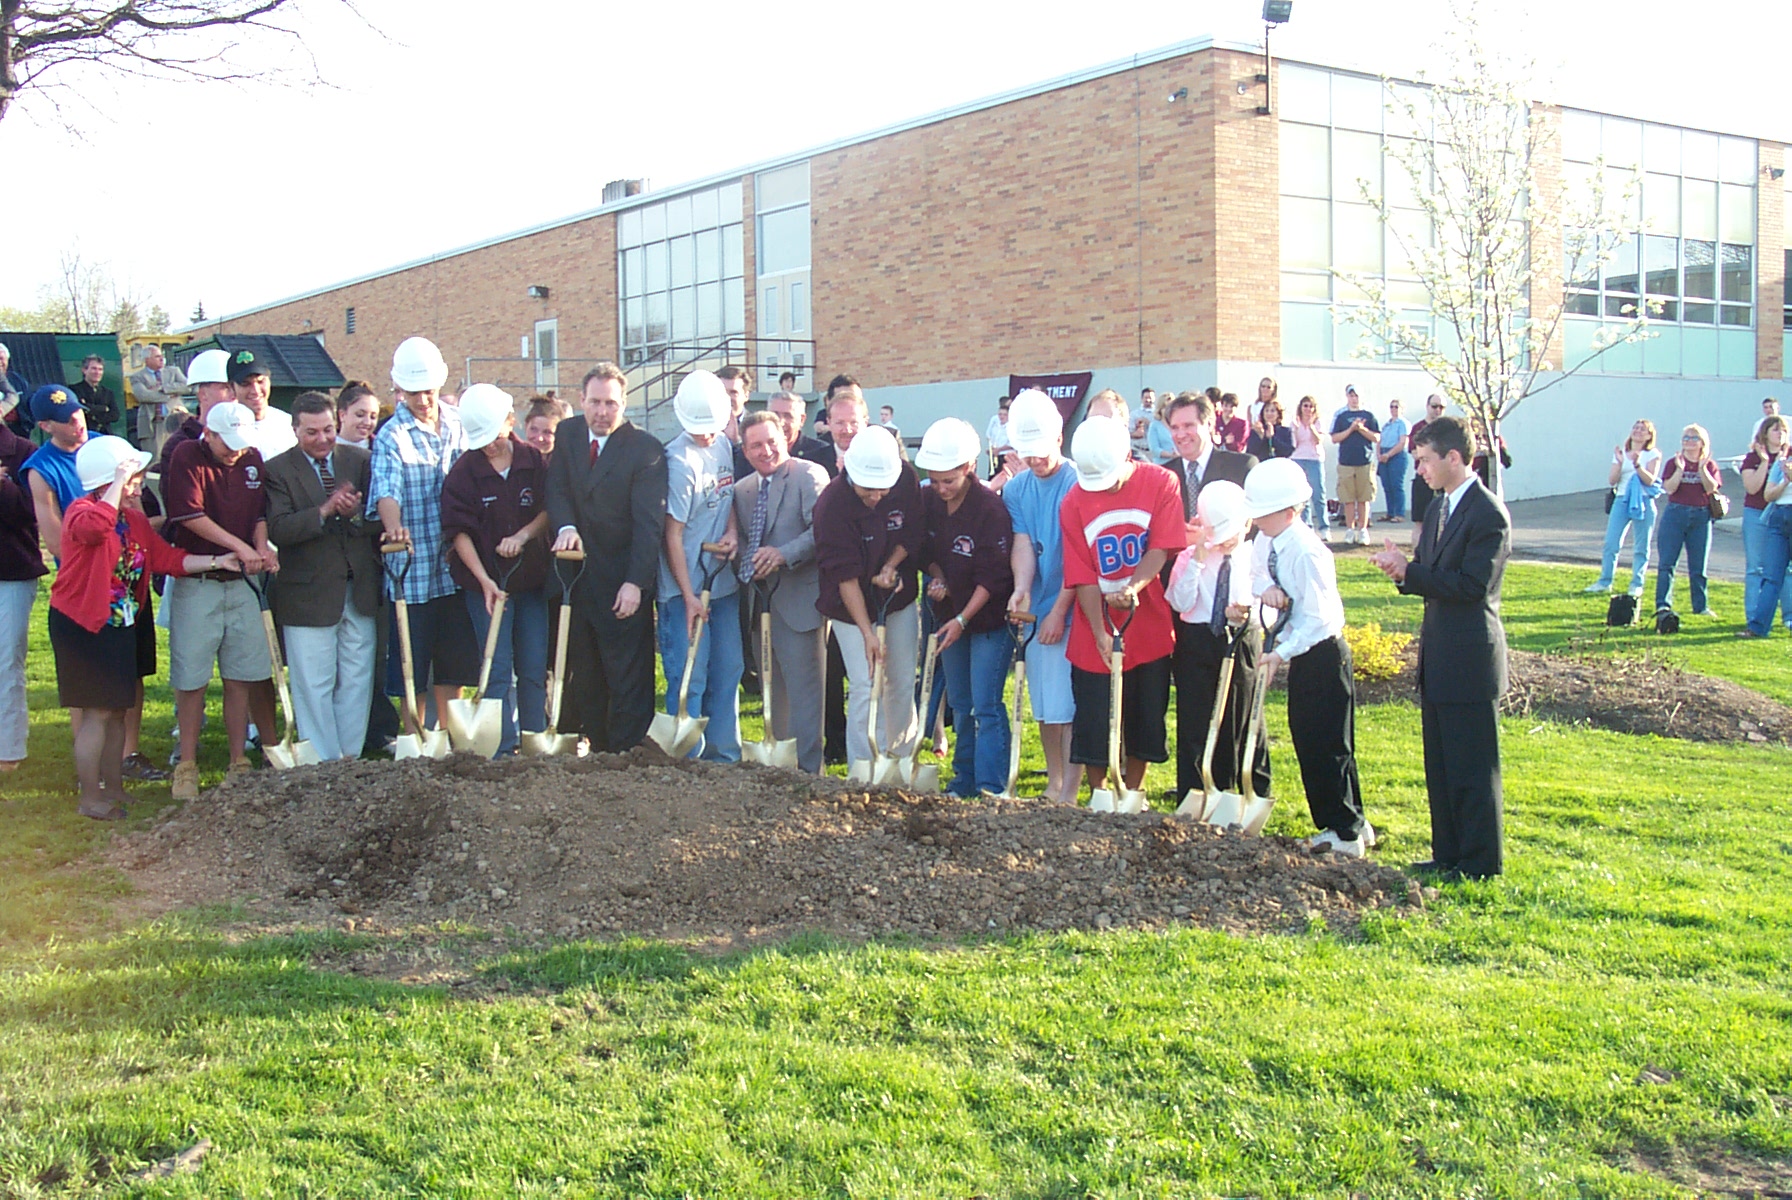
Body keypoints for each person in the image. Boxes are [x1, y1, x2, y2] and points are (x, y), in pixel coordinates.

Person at [51, 437, 238, 818]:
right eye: (133, 477)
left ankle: (115, 788)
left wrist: (219, 561)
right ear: (109, 480)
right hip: (84, 624)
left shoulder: (131, 519)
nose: (139, 485)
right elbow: (94, 532)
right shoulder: (82, 512)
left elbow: (166, 558)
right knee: (97, 712)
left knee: (119, 708)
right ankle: (90, 797)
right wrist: (117, 484)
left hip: (121, 622)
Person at [1369, 417, 1511, 880]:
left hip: (1470, 657)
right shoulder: (1438, 508)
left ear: (1454, 457)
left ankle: (1479, 862)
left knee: (1472, 768)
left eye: (1425, 460)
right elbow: (1431, 575)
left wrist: (1410, 572)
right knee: (1443, 765)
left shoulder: (1487, 513)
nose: (1420, 469)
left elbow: (1471, 585)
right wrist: (1403, 571)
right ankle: (1447, 853)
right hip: (1439, 655)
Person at [1247, 459, 1372, 854]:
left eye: (1264, 512)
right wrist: (1267, 588)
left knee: (1327, 744)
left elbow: (1322, 619)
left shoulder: (1307, 552)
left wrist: (1278, 654)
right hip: (1300, 651)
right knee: (1310, 739)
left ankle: (1344, 830)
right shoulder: (1267, 540)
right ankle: (1351, 820)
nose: (1257, 519)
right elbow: (1255, 573)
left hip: (1322, 655)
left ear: (1290, 510)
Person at [1060, 415, 1186, 803]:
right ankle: (1099, 791)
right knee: (1095, 713)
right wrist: (1099, 631)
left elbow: (1160, 547)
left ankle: (1133, 790)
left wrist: (1133, 587)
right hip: (1093, 623)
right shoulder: (1074, 501)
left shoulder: (1161, 483)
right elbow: (1080, 572)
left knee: (1145, 711)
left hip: (1146, 619)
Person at [546, 362, 667, 752]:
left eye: (610, 403)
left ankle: (627, 756)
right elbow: (558, 490)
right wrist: (566, 526)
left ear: (624, 403)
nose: (602, 412)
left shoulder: (645, 450)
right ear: (581, 400)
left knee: (626, 676)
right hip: (576, 577)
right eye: (595, 402)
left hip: (622, 579)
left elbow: (648, 525)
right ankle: (596, 751)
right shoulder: (567, 434)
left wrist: (636, 583)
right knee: (586, 674)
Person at [162, 401, 280, 796]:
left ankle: (238, 760)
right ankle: (188, 764)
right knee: (191, 677)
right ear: (207, 434)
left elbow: (258, 515)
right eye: (227, 443)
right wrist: (238, 549)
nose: (235, 451)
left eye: (241, 444)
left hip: (243, 583)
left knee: (241, 674)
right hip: (201, 582)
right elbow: (189, 515)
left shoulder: (252, 459)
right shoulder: (185, 457)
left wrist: (261, 549)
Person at [369, 336, 477, 743]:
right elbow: (386, 488)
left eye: (428, 392)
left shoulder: (458, 423)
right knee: (411, 667)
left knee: (453, 663)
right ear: (399, 390)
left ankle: (447, 738)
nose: (422, 401)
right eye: (413, 393)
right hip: (411, 570)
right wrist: (393, 526)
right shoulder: (391, 436)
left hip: (454, 567)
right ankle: (416, 739)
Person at [263, 392, 382, 762]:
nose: (322, 439)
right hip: (308, 593)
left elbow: (379, 519)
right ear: (295, 429)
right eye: (311, 432)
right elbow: (279, 528)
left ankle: (349, 758)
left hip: (358, 587)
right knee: (313, 682)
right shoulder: (277, 470)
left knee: (357, 677)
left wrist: (357, 512)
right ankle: (320, 761)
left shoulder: (360, 460)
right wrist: (326, 509)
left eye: (328, 430)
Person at [441, 384, 550, 755]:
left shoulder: (534, 461)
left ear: (510, 421)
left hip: (531, 581)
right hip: (486, 587)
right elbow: (458, 532)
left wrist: (522, 535)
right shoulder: (463, 473)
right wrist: (484, 580)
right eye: (482, 440)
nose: (490, 446)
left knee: (534, 668)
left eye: (495, 436)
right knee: (497, 669)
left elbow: (549, 511)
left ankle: (535, 743)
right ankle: (501, 748)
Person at [1161, 391, 1258, 798]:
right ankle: (1193, 788)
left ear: (1209, 424)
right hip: (1188, 599)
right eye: (1175, 428)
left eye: (1189, 426)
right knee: (1193, 705)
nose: (1182, 434)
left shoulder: (1240, 465)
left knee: (1240, 704)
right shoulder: (1165, 476)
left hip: (1235, 602)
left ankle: (1242, 782)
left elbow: (1255, 521)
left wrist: (1230, 534)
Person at [813, 425, 923, 767]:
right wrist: (866, 633)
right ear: (849, 474)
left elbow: (913, 530)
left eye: (882, 491)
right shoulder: (832, 504)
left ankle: (900, 762)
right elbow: (844, 577)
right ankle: (864, 765)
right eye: (868, 492)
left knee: (901, 680)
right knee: (865, 682)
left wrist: (891, 566)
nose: (876, 497)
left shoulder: (904, 478)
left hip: (898, 600)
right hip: (849, 608)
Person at [916, 418, 1013, 797]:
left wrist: (962, 617)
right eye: (934, 479)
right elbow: (926, 553)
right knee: (959, 701)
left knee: (985, 704)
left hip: (987, 618)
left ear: (970, 468)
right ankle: (963, 781)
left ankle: (991, 786)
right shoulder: (928, 502)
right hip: (947, 616)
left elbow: (994, 577)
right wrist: (938, 577)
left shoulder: (990, 509)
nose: (940, 488)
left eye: (949, 481)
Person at [733, 411, 830, 772]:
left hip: (800, 602)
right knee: (774, 692)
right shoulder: (742, 490)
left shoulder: (808, 475)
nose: (766, 450)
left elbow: (820, 532)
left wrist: (782, 554)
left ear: (785, 438)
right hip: (760, 604)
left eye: (771, 441)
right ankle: (779, 772)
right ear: (745, 450)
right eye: (756, 445)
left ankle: (810, 773)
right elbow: (743, 540)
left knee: (806, 695)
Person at [1164, 479, 1267, 808]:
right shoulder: (1191, 556)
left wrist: (1248, 612)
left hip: (1240, 638)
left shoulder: (1256, 556)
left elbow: (1271, 602)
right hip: (1197, 641)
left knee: (1238, 715)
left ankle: (1234, 790)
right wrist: (1195, 561)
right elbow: (1180, 602)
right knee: (1195, 719)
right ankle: (1194, 791)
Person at [657, 371, 743, 762]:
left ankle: (725, 758)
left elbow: (727, 501)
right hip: (683, 590)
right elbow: (671, 534)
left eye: (712, 428)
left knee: (730, 670)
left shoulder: (724, 444)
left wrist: (731, 532)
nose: (708, 436)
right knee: (691, 677)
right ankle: (688, 762)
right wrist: (688, 595)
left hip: (721, 582)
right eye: (700, 430)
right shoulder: (678, 462)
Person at [1002, 391, 1079, 805]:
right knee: (1045, 702)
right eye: (1026, 454)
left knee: (1068, 702)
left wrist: (1060, 611)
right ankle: (1054, 781)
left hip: (1077, 604)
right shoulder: (1017, 490)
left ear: (1059, 437)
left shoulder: (1079, 482)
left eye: (1040, 452)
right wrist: (1022, 589)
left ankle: (1071, 789)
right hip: (1042, 605)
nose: (1034, 461)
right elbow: (1024, 544)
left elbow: (1080, 558)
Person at [0, 407, 46, 771]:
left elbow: (30, 516)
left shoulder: (24, 453)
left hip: (12, 571)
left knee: (6, 661)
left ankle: (9, 749)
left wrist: (3, 485)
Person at [1585, 419, 1663, 597]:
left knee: (1641, 546)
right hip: (1621, 500)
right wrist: (1620, 463)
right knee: (1611, 543)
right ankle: (1605, 581)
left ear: (1650, 435)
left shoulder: (1652, 454)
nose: (1638, 431)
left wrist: (1637, 465)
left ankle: (1637, 583)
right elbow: (1612, 480)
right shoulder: (1622, 453)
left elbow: (1650, 480)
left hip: (1643, 500)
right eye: (1635, 428)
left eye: (1643, 429)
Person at [1653, 424, 1723, 618]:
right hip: (1675, 514)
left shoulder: (1709, 464)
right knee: (1667, 563)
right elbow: (1670, 488)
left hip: (1701, 516)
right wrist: (1680, 470)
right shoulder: (1673, 462)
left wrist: (1702, 469)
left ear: (1702, 443)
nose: (1689, 441)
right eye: (1686, 438)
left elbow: (1711, 488)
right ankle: (1663, 605)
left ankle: (1700, 606)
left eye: (1694, 438)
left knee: (1698, 566)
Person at [1739, 416, 1792, 634]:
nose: (1780, 434)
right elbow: (1768, 493)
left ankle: (1789, 618)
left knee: (1787, 573)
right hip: (1779, 517)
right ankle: (1758, 626)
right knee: (1771, 574)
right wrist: (1786, 481)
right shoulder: (1780, 463)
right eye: (1775, 430)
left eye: (1784, 431)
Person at [1330, 384, 1379, 544]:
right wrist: (1351, 429)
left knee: (1364, 499)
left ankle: (1363, 530)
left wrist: (1362, 429)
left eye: (1356, 395)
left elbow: (1376, 438)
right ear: (1347, 397)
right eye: (1351, 395)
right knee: (1349, 499)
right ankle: (1350, 530)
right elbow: (1335, 438)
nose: (1354, 398)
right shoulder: (1341, 416)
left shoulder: (1369, 415)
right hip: (1346, 462)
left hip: (1364, 462)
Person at [225, 349, 297, 457]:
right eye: (245, 384)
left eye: (260, 381)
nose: (255, 390)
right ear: (231, 387)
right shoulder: (221, 428)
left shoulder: (290, 425)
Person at [129, 345, 188, 454]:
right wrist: (169, 396)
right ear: (147, 359)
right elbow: (143, 396)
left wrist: (165, 388)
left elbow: (188, 387)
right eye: (157, 357)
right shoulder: (137, 376)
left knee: (178, 455)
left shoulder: (174, 371)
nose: (162, 359)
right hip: (153, 425)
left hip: (175, 421)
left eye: (162, 356)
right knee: (155, 460)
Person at [1289, 395, 1328, 535]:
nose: (1308, 409)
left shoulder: (1318, 422)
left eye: (1311, 406)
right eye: (1305, 406)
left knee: (1318, 493)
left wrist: (1311, 427)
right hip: (1298, 458)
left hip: (1314, 459)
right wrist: (1294, 430)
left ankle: (1324, 527)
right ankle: (1307, 526)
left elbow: (1318, 441)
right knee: (1302, 495)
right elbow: (1293, 444)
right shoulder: (1295, 422)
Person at [1409, 396, 1445, 527]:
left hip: (1443, 479)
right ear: (1427, 406)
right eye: (1435, 406)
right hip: (1423, 477)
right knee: (1420, 523)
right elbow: (1415, 453)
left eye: (1441, 407)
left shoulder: (1447, 429)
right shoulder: (1418, 428)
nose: (1438, 410)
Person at [71, 355, 122, 437]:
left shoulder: (108, 393)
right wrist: (103, 408)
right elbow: (80, 409)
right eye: (94, 368)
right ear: (84, 370)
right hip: (84, 434)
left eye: (100, 369)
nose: (97, 372)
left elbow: (115, 415)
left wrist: (93, 413)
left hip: (105, 434)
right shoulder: (75, 390)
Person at [1376, 399, 1411, 522]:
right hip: (1384, 455)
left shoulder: (1403, 423)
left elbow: (1402, 443)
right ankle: (1390, 513)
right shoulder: (1387, 424)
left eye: (1397, 407)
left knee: (1396, 485)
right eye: (1392, 407)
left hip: (1397, 455)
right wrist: (1379, 454)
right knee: (1387, 486)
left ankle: (1399, 514)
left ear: (1402, 409)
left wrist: (1389, 455)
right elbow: (1379, 440)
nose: (1394, 409)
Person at [333, 381, 382, 450]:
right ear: (342, 415)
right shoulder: (323, 448)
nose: (367, 422)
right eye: (360, 415)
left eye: (373, 417)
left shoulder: (383, 448)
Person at [1246, 398, 1293, 462]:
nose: (1269, 413)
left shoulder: (1285, 431)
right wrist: (1260, 436)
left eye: (1272, 411)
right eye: (1267, 411)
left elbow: (1287, 452)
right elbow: (1251, 452)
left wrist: (1272, 438)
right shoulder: (1256, 430)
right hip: (1261, 465)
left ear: (1278, 414)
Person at [0, 343, 28, 436]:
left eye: (1, 358)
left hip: (17, 432)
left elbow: (28, 405)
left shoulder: (18, 381)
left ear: (7, 360)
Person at [984, 396, 1012, 477]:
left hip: (1006, 455)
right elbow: (988, 435)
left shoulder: (1012, 426)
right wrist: (992, 448)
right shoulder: (995, 423)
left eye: (1004, 415)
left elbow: (1012, 444)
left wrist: (999, 449)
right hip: (994, 454)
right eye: (1000, 414)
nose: (1002, 417)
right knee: (992, 477)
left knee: (1004, 477)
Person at [1145, 393, 1176, 466]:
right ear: (1160, 409)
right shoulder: (1154, 425)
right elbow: (1154, 449)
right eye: (1166, 408)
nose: (1169, 411)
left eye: (1171, 408)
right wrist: (1171, 455)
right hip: (1163, 465)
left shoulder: (1178, 425)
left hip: (1179, 463)